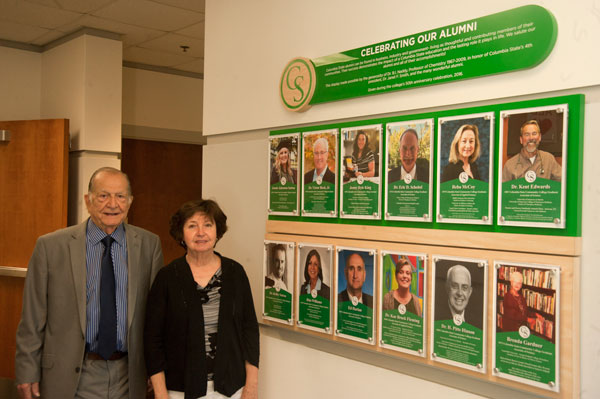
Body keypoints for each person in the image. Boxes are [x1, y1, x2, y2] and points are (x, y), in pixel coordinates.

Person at [15, 167, 164, 399]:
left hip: (129, 374)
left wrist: (157, 370)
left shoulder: (149, 245)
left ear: (130, 201)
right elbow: (32, 318)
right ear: (88, 200)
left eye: (120, 196)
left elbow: (156, 318)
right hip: (71, 373)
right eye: (103, 196)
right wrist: (26, 370)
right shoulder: (51, 247)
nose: (112, 204)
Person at [144, 199, 259, 399]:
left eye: (207, 225)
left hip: (231, 389)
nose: (201, 233)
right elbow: (153, 340)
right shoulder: (167, 277)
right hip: (179, 390)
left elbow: (249, 330)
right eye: (192, 226)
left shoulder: (235, 273)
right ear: (181, 233)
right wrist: (160, 393)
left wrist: (251, 386)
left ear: (217, 231)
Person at [435, 264, 482, 329]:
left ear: (470, 292)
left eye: (464, 288)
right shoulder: (436, 317)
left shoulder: (478, 323)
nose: (459, 293)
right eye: (455, 286)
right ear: (447, 288)